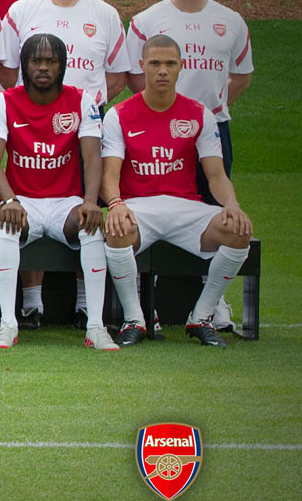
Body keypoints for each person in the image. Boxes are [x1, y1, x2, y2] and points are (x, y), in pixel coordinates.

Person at [99, 36, 257, 348]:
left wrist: (233, 205)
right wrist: (115, 203)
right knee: (118, 230)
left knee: (238, 233)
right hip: (139, 207)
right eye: (155, 63)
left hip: (187, 209)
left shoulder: (199, 114)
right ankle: (135, 320)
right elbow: (109, 174)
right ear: (142, 66)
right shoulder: (119, 114)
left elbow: (216, 175)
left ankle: (201, 316)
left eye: (170, 64)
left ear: (180, 67)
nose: (162, 71)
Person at [0, 33, 111, 349]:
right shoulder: (5, 101)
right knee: (5, 223)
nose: (43, 67)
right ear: (24, 65)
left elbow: (93, 156)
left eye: (50, 61)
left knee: (91, 223)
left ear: (62, 66)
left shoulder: (81, 100)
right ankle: (8, 324)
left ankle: (95, 326)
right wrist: (9, 198)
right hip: (22, 200)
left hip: (66, 202)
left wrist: (91, 201)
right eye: (35, 61)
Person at [127, 0, 253, 186]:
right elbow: (134, 77)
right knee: (162, 199)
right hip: (160, 126)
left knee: (215, 204)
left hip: (215, 126)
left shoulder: (232, 21)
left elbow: (241, 77)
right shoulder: (145, 21)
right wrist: (163, 108)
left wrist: (208, 108)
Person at [0, 0, 131, 108]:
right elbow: (7, 73)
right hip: (32, 115)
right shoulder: (20, 12)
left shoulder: (107, 15)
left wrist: (87, 105)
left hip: (87, 120)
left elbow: (117, 77)